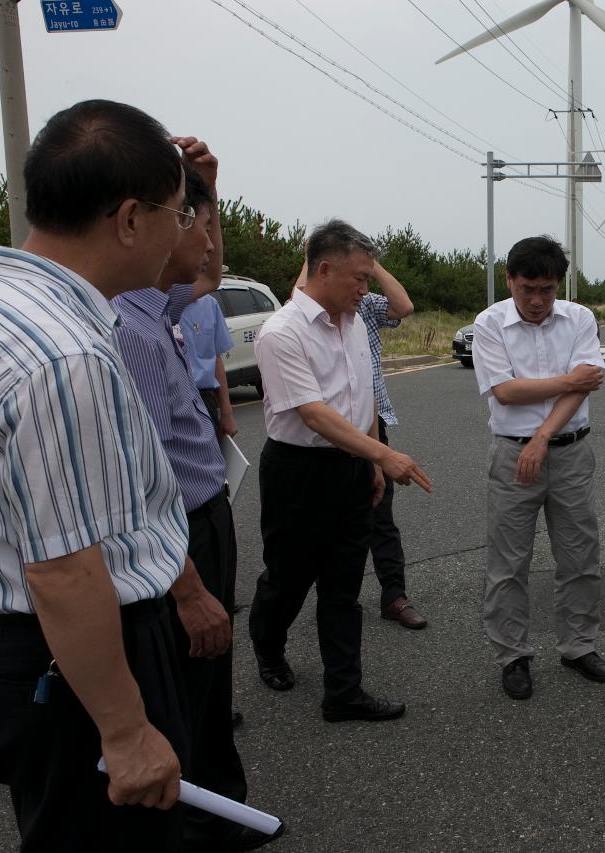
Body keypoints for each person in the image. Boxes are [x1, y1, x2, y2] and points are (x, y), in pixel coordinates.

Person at [0, 99, 191, 851]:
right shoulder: (67, 356)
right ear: (129, 218)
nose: (180, 234)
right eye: (177, 213)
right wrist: (126, 730)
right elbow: (64, 566)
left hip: (20, 650)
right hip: (80, 664)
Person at [113, 151, 279, 851]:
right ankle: (194, 824)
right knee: (183, 684)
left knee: (211, 685)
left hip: (208, 513)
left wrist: (213, 191)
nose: (208, 239)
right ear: (139, 224)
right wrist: (184, 583)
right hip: (176, 532)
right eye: (190, 219)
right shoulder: (127, 325)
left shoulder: (161, 305)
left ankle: (222, 811)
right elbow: (135, 483)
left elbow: (209, 274)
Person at [248, 219, 430, 723]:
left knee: (343, 586)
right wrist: (384, 456)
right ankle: (268, 644)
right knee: (289, 578)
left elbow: (363, 392)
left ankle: (343, 692)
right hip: (298, 472)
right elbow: (313, 413)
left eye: (368, 279)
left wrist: (371, 456)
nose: (364, 289)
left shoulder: (353, 321)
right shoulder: (281, 332)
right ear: (324, 269)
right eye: (359, 279)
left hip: (353, 467)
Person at [471, 236, 605, 701]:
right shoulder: (490, 324)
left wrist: (544, 435)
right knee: (508, 562)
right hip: (513, 455)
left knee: (579, 554)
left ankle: (578, 646)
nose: (536, 300)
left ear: (559, 285)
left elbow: (582, 389)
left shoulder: (580, 318)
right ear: (509, 280)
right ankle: (512, 655)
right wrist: (571, 379)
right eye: (526, 288)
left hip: (570, 452)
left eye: (547, 290)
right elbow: (506, 392)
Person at [351, 267, 425, 628]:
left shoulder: (364, 302)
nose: (361, 285)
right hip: (324, 430)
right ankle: (335, 597)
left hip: (371, 420)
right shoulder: (310, 310)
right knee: (331, 521)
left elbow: (404, 306)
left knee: (381, 515)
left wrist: (374, 264)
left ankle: (394, 596)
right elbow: (295, 297)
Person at [178, 254, 237, 441]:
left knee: (212, 463)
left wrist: (226, 412)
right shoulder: (163, 304)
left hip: (205, 398)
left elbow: (215, 358)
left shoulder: (210, 305)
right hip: (176, 398)